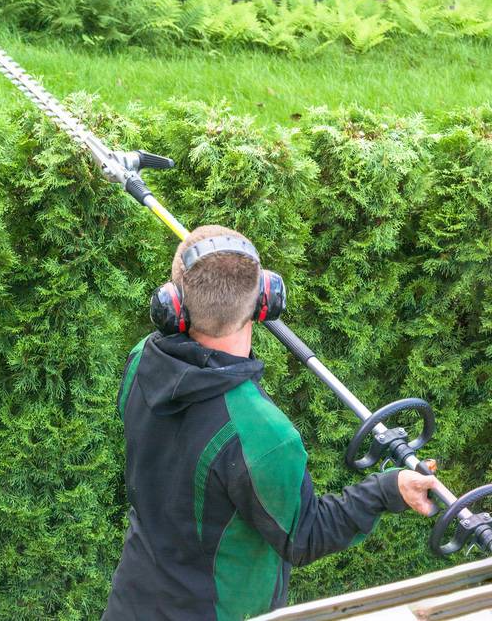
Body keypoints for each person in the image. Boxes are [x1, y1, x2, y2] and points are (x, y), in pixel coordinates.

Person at [104, 226, 442, 620]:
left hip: (131, 601)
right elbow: (304, 535)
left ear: (171, 304)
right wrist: (388, 489)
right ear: (267, 300)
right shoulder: (264, 435)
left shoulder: (142, 359)